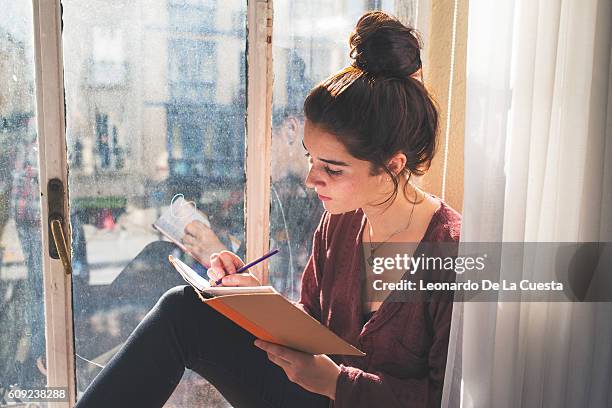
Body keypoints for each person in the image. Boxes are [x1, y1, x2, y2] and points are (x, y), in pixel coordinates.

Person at [75, 11, 461, 408]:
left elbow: (446, 398)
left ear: (392, 166)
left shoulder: (450, 250)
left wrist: (337, 383)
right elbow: (312, 325)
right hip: (314, 395)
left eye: (332, 168)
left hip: (337, 397)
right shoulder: (340, 225)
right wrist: (255, 302)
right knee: (184, 308)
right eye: (311, 158)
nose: (313, 179)